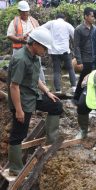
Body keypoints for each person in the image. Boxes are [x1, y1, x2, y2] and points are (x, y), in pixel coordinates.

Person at [7, 27, 63, 176]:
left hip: (33, 95)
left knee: (56, 105)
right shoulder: (20, 59)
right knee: (19, 134)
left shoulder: (35, 57)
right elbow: (14, 86)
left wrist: (47, 92)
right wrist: (19, 110)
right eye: (44, 47)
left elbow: (35, 77)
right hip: (21, 100)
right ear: (35, 44)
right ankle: (15, 167)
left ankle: (51, 142)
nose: (45, 51)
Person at [7, 0, 46, 83]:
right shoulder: (15, 21)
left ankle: (42, 85)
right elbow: (9, 35)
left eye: (26, 12)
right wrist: (20, 39)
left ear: (28, 11)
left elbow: (40, 33)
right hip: (19, 50)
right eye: (23, 12)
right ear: (19, 11)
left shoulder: (34, 21)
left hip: (33, 50)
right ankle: (19, 86)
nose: (25, 14)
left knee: (37, 68)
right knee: (19, 69)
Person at [42, 13, 76, 93]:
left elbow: (41, 29)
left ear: (55, 17)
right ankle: (74, 87)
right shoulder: (67, 24)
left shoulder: (51, 23)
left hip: (54, 51)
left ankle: (58, 90)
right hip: (65, 51)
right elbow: (75, 35)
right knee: (70, 68)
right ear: (64, 18)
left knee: (56, 71)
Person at [73, 7, 96, 102]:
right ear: (86, 16)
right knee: (83, 78)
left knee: (93, 79)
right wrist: (79, 61)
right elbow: (76, 46)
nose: (93, 18)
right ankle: (76, 97)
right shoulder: (79, 29)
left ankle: (90, 98)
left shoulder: (95, 28)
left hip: (94, 58)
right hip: (85, 58)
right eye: (91, 16)